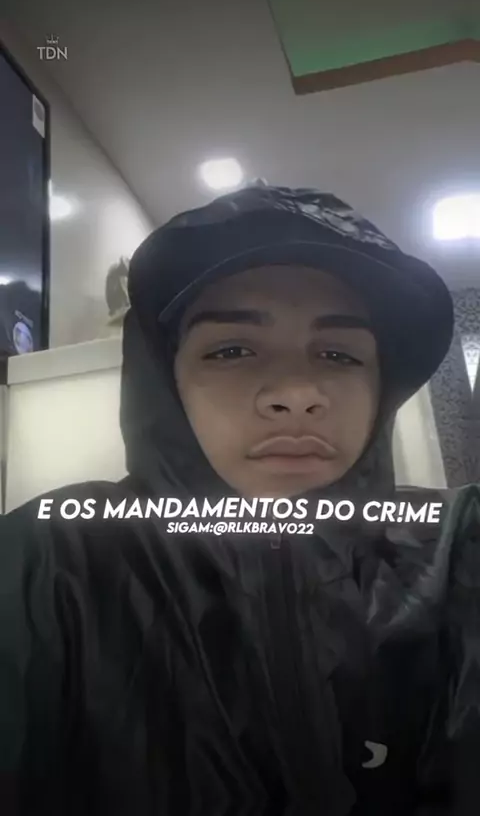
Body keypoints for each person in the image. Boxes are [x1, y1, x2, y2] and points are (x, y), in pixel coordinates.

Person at [0, 184, 478, 815]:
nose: (296, 394)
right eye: (232, 350)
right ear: (165, 381)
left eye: (339, 354)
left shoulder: (457, 544)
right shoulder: (47, 557)